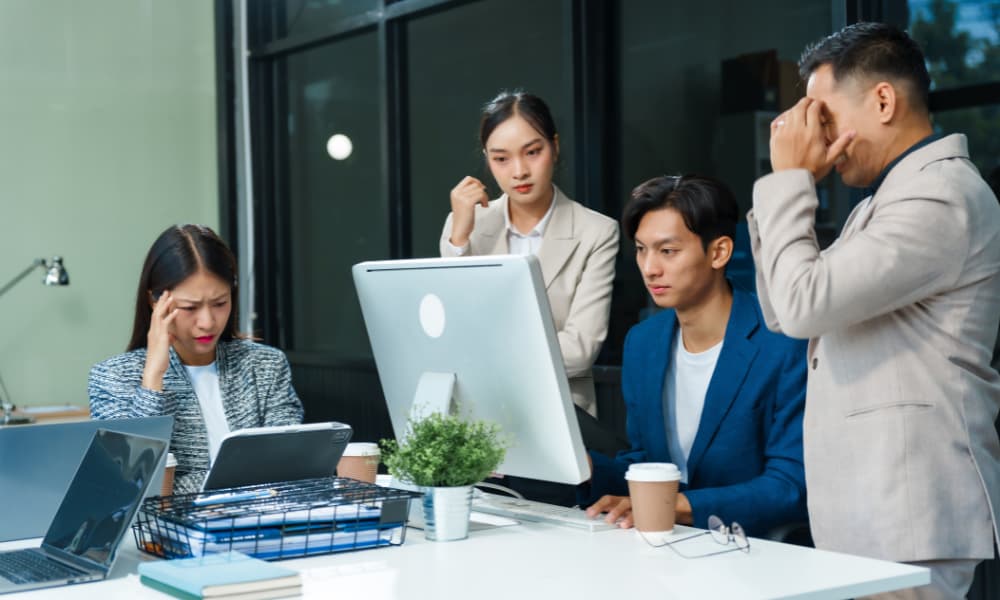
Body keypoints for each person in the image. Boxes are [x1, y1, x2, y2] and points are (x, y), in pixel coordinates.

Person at [748, 22, 1000, 599]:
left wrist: (788, 179)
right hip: (878, 509)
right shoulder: (889, 200)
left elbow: (803, 303)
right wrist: (784, 185)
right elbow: (786, 313)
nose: (819, 138)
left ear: (883, 100)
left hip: (907, 512)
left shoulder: (939, 197)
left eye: (825, 116)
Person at [582, 175, 808, 537]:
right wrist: (584, 467)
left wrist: (676, 507)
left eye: (667, 251)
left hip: (755, 551)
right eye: (641, 249)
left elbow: (790, 485)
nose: (649, 267)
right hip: (665, 543)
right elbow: (645, 463)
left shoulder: (783, 342)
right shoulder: (643, 343)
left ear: (718, 252)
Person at [440, 90, 619, 419]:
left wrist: (484, 356)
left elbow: (580, 350)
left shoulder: (597, 231)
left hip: (561, 413)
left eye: (532, 152)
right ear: (487, 159)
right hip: (479, 415)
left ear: (555, 146)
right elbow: (451, 330)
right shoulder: (463, 226)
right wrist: (460, 239)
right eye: (501, 158)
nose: (519, 171)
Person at [89, 224, 304, 493]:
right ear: (156, 302)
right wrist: (153, 379)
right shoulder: (113, 377)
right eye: (189, 308)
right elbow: (129, 483)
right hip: (165, 533)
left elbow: (289, 468)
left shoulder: (266, 366)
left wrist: (183, 485)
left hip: (261, 526)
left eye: (219, 303)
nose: (207, 322)